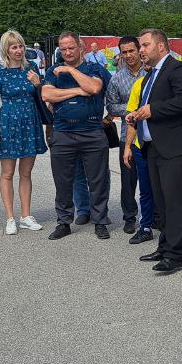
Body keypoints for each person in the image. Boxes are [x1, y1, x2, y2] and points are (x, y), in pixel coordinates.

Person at [126, 28, 182, 275]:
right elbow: (144, 106)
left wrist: (153, 110)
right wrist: (134, 115)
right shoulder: (149, 77)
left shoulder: (180, 69)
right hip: (153, 147)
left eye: (145, 45)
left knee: (174, 201)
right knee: (161, 201)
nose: (141, 50)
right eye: (140, 46)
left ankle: (175, 256)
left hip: (176, 147)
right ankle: (164, 246)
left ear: (161, 46)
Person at [43, 31, 111, 239]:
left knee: (97, 179)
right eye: (63, 49)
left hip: (92, 131)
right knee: (63, 181)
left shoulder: (93, 68)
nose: (67, 52)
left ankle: (99, 220)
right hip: (63, 131)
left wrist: (70, 72)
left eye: (71, 48)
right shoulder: (53, 71)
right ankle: (64, 222)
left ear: (80, 47)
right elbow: (47, 94)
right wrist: (78, 91)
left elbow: (94, 87)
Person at [0, 30, 46, 235]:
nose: (19, 50)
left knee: (26, 172)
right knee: (7, 173)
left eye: (21, 46)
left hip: (30, 123)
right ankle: (10, 217)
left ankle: (26, 216)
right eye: (14, 47)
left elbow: (41, 96)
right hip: (8, 123)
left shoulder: (31, 69)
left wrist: (37, 83)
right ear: (6, 50)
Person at [105, 35, 146, 234]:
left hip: (151, 135)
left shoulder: (151, 73)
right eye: (124, 52)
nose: (129, 55)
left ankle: (152, 216)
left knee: (153, 180)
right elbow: (111, 105)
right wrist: (132, 110)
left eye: (132, 50)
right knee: (128, 180)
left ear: (139, 50)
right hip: (127, 137)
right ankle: (129, 217)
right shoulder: (117, 78)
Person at [120, 61, 156, 246]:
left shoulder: (168, 83)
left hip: (163, 146)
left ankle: (163, 222)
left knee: (164, 188)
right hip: (140, 146)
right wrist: (127, 146)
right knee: (145, 189)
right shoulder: (139, 84)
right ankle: (146, 227)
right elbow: (132, 117)